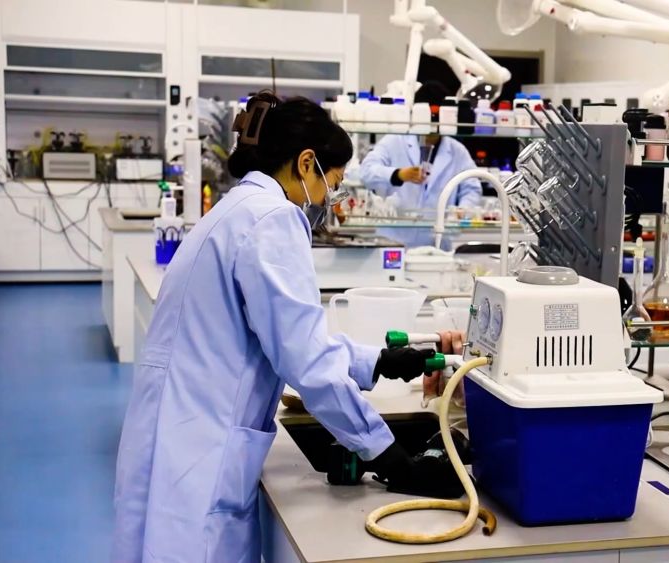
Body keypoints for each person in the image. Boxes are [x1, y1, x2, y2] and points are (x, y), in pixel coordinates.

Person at [112, 93, 457, 562]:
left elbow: (284, 335)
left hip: (178, 432)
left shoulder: (238, 209)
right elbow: (305, 360)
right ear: (306, 163)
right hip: (201, 450)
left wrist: (376, 361)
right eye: (332, 185)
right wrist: (388, 456)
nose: (329, 201)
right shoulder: (274, 219)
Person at [359, 83, 483, 248]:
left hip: (438, 243)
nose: (432, 122)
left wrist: (462, 210)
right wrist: (398, 174)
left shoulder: (457, 151)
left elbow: (472, 188)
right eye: (428, 115)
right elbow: (366, 172)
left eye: (437, 116)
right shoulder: (395, 140)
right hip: (394, 240)